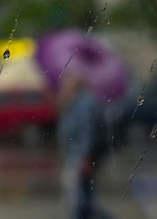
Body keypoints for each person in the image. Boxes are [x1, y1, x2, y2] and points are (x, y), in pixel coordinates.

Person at [57, 72, 114, 219]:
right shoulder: (77, 102)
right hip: (78, 156)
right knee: (84, 198)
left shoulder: (84, 103)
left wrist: (85, 157)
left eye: (66, 86)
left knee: (80, 201)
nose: (63, 89)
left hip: (81, 157)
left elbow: (86, 132)